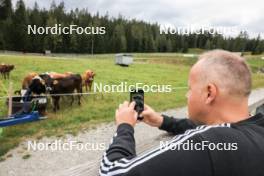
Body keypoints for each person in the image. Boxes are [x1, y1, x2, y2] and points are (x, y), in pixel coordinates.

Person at [99, 50, 264, 176]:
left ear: (209, 93)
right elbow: (201, 126)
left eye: (190, 89)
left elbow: (112, 171)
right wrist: (161, 121)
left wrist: (125, 126)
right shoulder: (257, 128)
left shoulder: (205, 142)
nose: (187, 95)